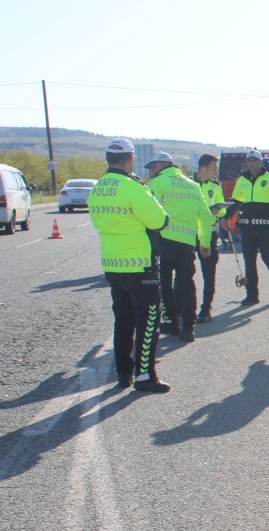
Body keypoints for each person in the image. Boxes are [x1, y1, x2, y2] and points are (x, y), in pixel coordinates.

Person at [87, 138, 171, 392]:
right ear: (131, 158)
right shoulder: (133, 187)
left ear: (108, 159)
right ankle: (145, 375)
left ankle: (124, 373)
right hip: (140, 265)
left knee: (122, 320)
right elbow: (159, 221)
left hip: (113, 264)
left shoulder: (98, 188)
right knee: (148, 322)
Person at [147, 152, 213, 342]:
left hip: (163, 241)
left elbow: (148, 213)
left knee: (164, 284)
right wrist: (205, 243)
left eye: (153, 167)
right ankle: (189, 328)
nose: (151, 171)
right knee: (187, 284)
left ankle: (172, 324)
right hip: (186, 244)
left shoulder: (156, 184)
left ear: (161, 165)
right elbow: (206, 217)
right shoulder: (192, 185)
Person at [228, 149, 269, 306]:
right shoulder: (242, 180)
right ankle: (252, 295)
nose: (251, 163)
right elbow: (236, 202)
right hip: (247, 228)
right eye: (249, 160)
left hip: (265, 228)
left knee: (268, 257)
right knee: (249, 262)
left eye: (254, 160)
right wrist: (227, 217)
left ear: (260, 162)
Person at [194, 154, 228, 323]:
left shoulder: (215, 186)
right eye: (214, 168)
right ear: (203, 169)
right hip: (189, 232)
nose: (216, 172)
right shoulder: (188, 184)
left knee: (209, 272)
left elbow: (223, 209)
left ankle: (206, 308)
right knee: (184, 273)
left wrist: (218, 211)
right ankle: (183, 309)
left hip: (210, 232)